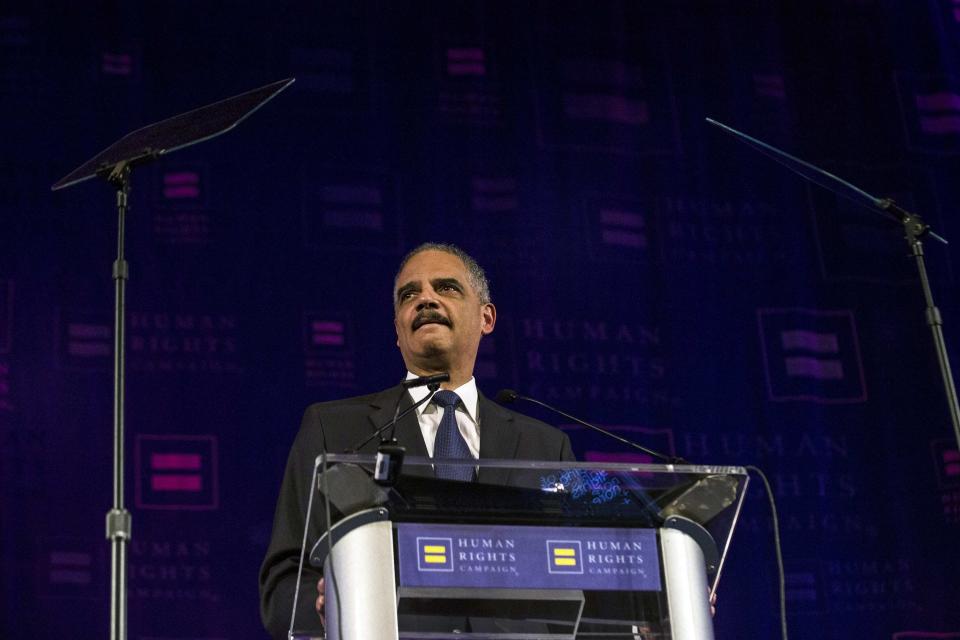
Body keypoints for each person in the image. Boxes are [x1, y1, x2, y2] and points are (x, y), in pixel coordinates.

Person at [258, 243, 575, 639]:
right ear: (397, 328)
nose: (426, 299)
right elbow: (286, 576)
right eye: (410, 294)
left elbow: (581, 572)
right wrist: (324, 608)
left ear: (486, 317)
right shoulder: (334, 428)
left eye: (447, 288)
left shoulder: (547, 446)